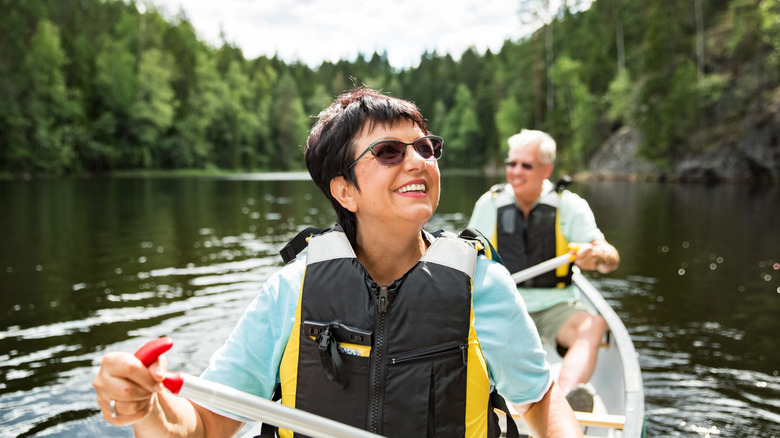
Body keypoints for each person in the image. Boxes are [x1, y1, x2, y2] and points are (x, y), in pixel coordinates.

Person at [92, 89, 582, 437]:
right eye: (389, 151)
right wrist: (149, 407)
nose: (419, 161)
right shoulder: (291, 291)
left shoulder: (483, 284)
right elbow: (199, 428)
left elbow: (538, 400)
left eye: (426, 148)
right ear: (345, 191)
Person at [467, 129, 619, 412]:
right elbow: (467, 256)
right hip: (502, 303)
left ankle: (564, 401)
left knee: (594, 325)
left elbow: (611, 257)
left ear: (546, 169)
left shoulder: (569, 206)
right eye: (511, 164)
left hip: (554, 307)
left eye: (526, 165)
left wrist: (596, 255)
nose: (515, 172)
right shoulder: (490, 204)